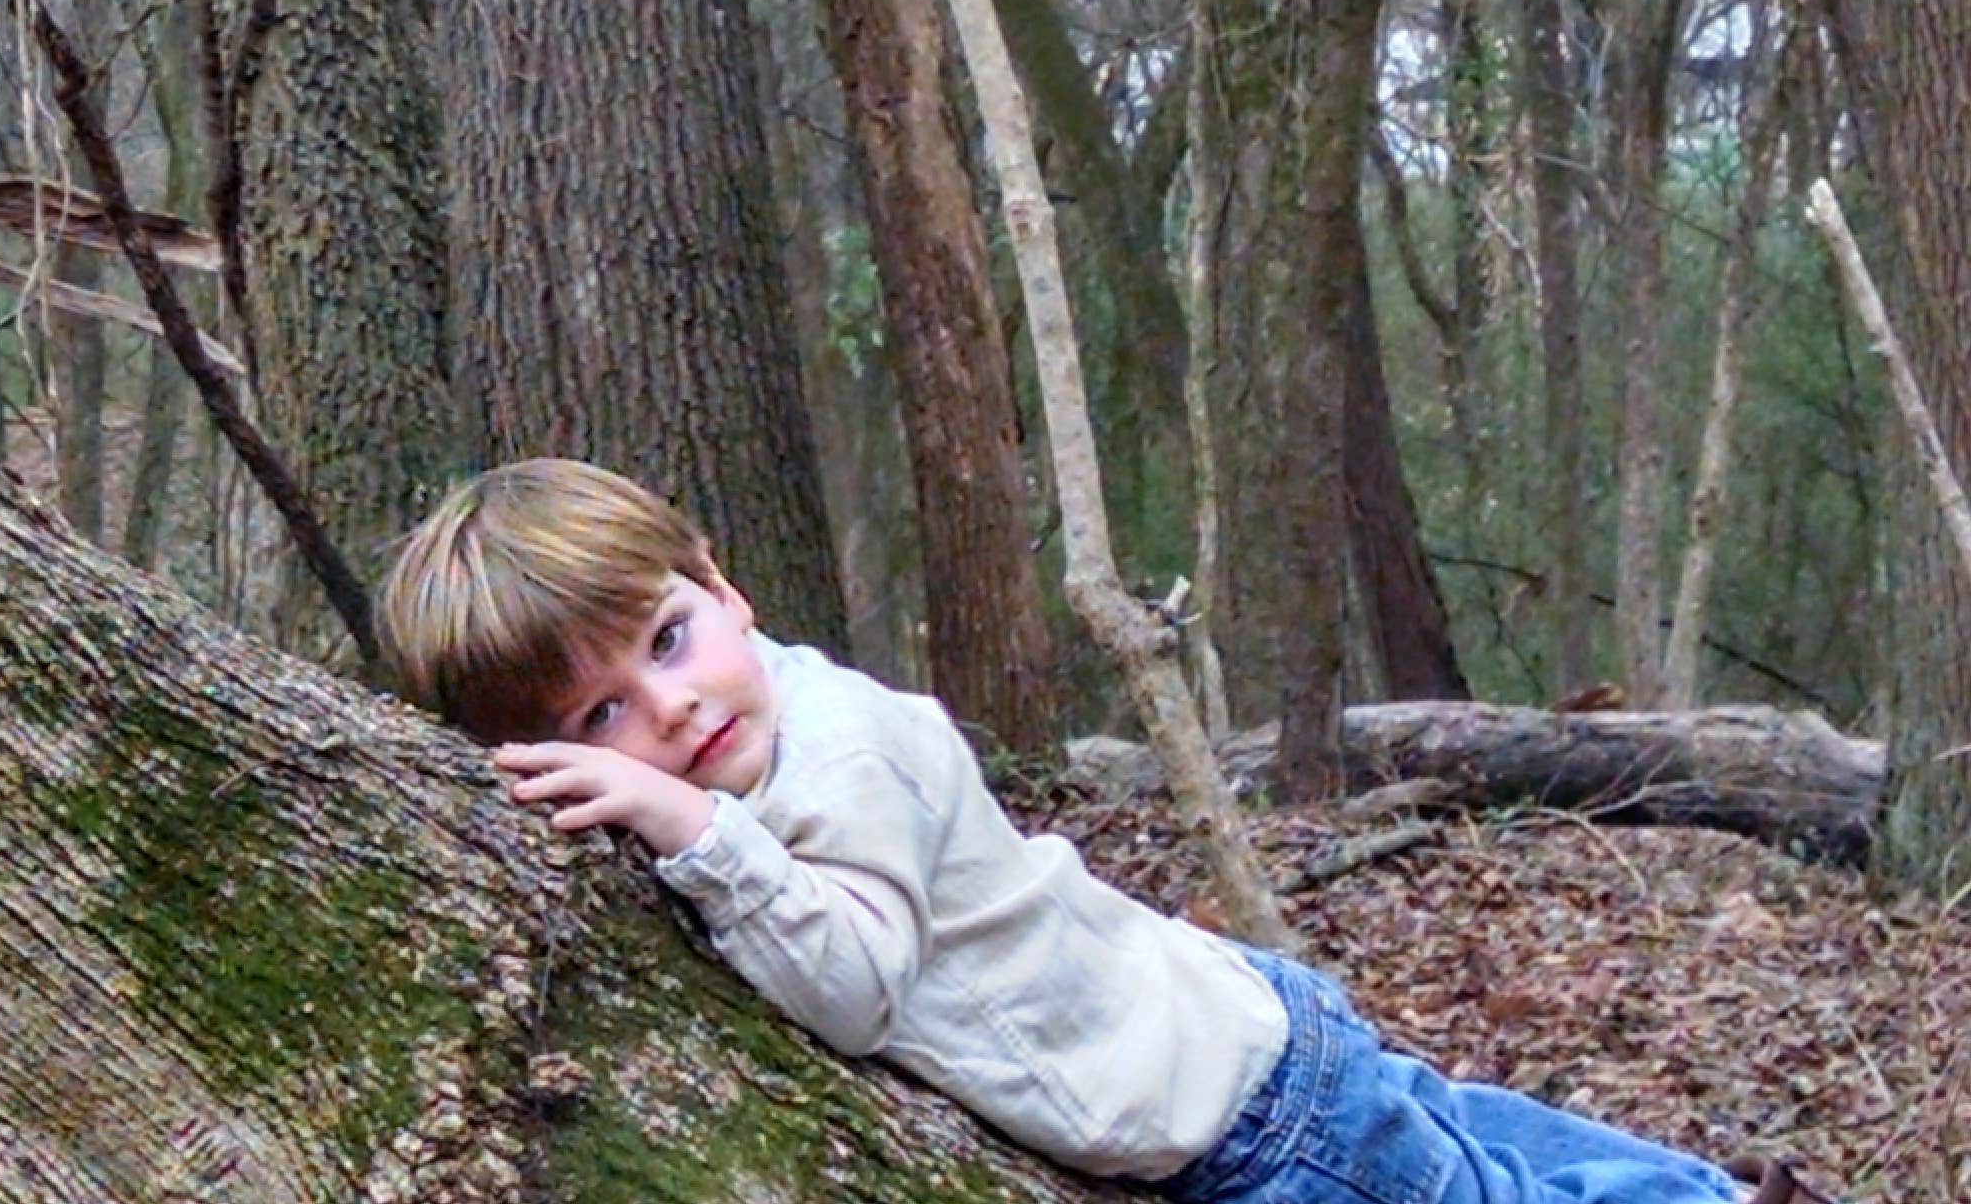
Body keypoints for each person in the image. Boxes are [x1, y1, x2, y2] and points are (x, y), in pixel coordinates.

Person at [376, 458, 1782, 1204]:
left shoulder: (833, 760)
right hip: (1229, 1024)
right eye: (603, 715)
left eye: (669, 639)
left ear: (722, 586)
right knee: (1488, 1151)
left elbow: (855, 990)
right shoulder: (779, 710)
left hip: (1241, 1118)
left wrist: (696, 836)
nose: (672, 708)